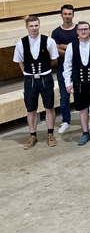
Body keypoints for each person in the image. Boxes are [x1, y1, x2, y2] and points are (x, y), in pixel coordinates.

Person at [14, 16, 59, 149]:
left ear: (39, 26)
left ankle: (50, 134)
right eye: (31, 26)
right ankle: (32, 135)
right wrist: (27, 73)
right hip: (30, 80)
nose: (34, 28)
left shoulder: (49, 41)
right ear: (27, 27)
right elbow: (20, 61)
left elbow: (54, 59)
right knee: (31, 109)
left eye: (36, 25)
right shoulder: (21, 43)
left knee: (49, 107)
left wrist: (45, 69)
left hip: (46, 78)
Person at [51, 4, 77, 134]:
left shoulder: (78, 29)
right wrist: (70, 49)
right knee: (64, 96)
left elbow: (81, 47)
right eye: (65, 14)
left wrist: (63, 46)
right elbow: (55, 50)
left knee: (81, 94)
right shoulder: (56, 32)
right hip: (62, 69)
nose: (67, 16)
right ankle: (66, 121)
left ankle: (86, 119)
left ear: (73, 15)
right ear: (61, 15)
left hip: (78, 68)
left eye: (69, 14)